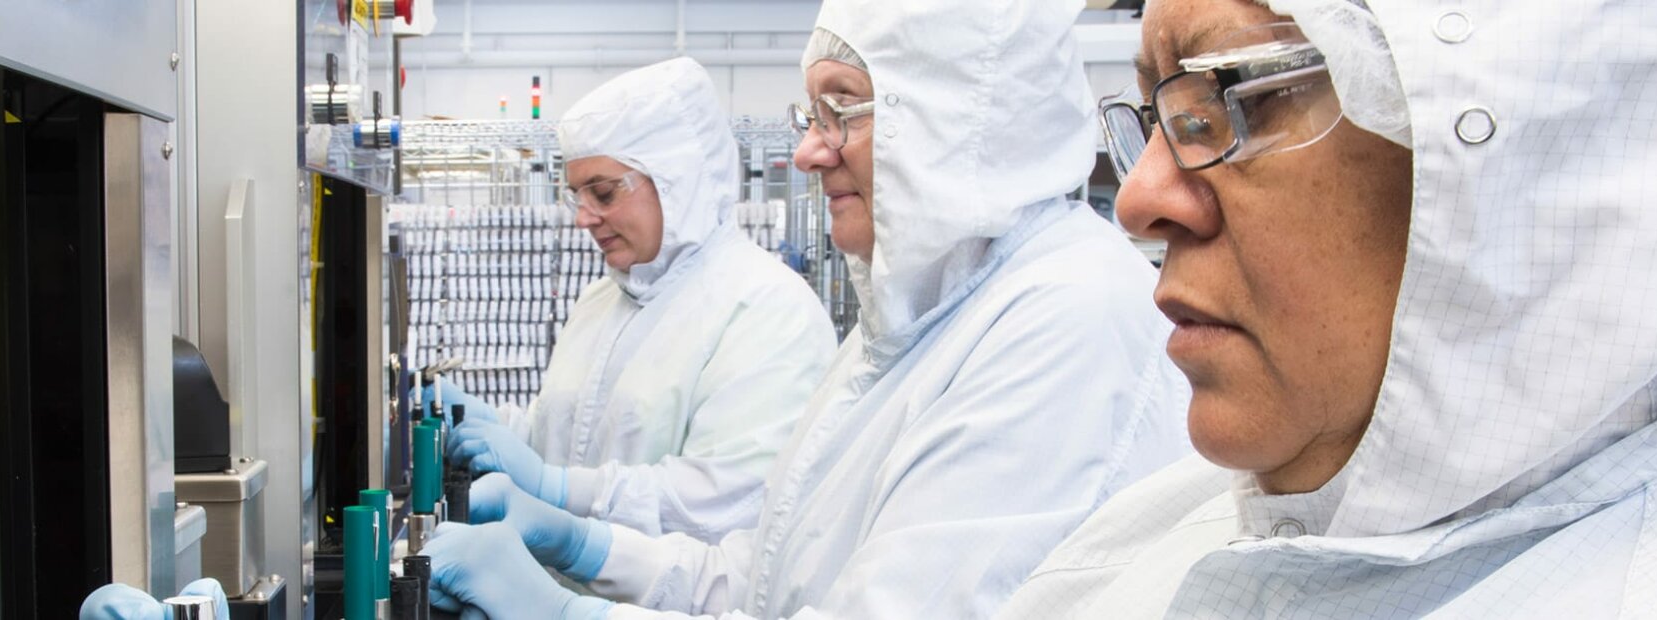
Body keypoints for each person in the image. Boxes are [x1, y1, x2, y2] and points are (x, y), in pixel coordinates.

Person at [995, 0, 1657, 617]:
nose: (1138, 198)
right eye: (1157, 115)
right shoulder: (1196, 521)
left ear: (1557, 133)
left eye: (1232, 97)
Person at [423, 0, 1192, 617]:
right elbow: (767, 580)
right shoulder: (907, 326)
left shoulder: (1063, 322)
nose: (808, 152)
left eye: (843, 112)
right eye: (812, 117)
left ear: (954, 117)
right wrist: (584, 546)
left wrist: (565, 608)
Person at [425, 57, 838, 541]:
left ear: (677, 180)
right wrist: (483, 426)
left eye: (603, 193)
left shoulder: (768, 312)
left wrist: (555, 491)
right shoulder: (602, 300)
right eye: (577, 195)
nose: (584, 218)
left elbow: (722, 508)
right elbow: (561, 443)